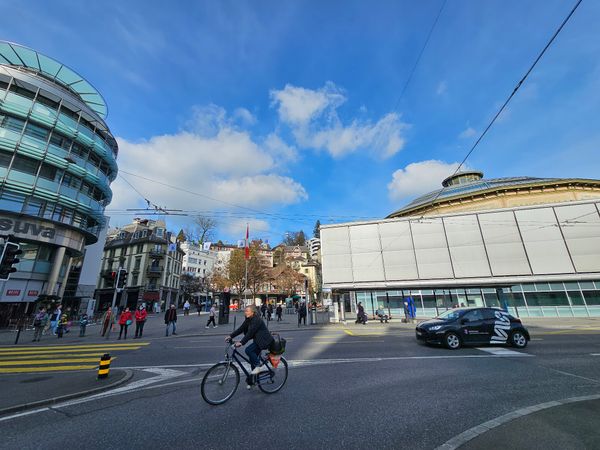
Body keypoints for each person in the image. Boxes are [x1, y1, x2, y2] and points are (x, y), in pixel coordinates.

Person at [226, 305, 274, 376]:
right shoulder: (248, 319)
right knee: (252, 360)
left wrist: (241, 342)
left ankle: (258, 365)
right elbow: (241, 328)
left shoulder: (257, 319)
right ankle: (253, 379)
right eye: (245, 311)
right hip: (258, 341)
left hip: (264, 341)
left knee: (248, 350)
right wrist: (231, 336)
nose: (245, 312)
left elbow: (250, 332)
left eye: (247, 311)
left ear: (253, 312)